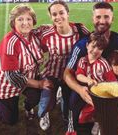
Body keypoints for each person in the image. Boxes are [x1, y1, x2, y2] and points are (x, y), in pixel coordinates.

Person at [63, 2, 118, 134]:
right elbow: (67, 73)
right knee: (73, 100)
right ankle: (72, 126)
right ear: (93, 19)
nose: (102, 21)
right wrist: (80, 89)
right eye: (98, 17)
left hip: (112, 85)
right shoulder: (82, 45)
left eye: (106, 17)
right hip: (86, 86)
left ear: (112, 19)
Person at [0, 4, 53, 125]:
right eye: (20, 19)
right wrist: (39, 84)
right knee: (10, 120)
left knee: (36, 96)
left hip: (28, 78)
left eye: (29, 19)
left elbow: (55, 29)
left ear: (33, 21)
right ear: (13, 22)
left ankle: (27, 107)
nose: (25, 23)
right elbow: (13, 77)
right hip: (8, 83)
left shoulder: (36, 36)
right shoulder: (9, 42)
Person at [32, 0, 90, 131]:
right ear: (50, 16)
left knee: (67, 111)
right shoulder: (46, 34)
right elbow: (29, 38)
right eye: (54, 14)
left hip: (70, 76)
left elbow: (92, 44)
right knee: (45, 105)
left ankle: (61, 94)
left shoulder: (80, 29)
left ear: (68, 13)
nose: (58, 17)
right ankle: (44, 114)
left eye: (61, 13)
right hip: (51, 74)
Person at [75, 32, 117, 135]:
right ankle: (85, 123)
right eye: (93, 46)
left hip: (102, 93)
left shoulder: (103, 64)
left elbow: (112, 81)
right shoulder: (82, 61)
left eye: (100, 48)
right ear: (87, 45)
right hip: (89, 92)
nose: (95, 51)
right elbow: (78, 75)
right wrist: (88, 80)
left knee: (102, 109)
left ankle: (99, 123)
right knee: (82, 116)